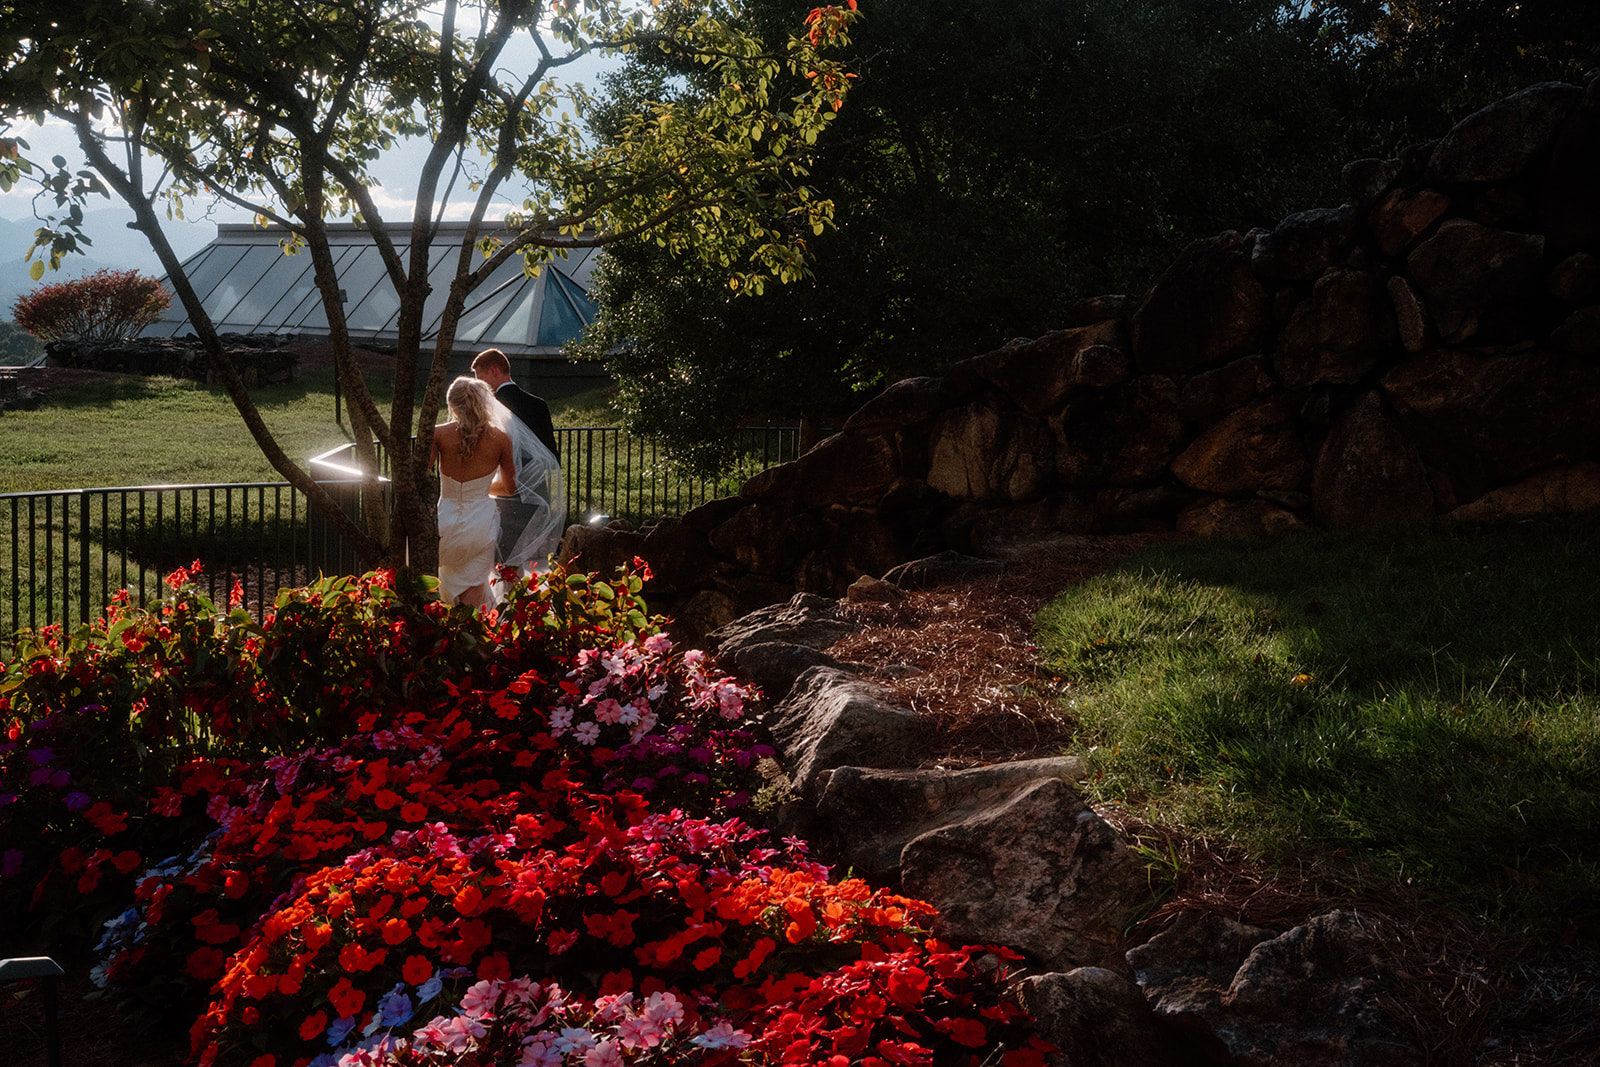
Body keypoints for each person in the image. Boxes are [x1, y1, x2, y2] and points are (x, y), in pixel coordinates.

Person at [470, 348, 566, 573]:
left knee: (501, 559)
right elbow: (552, 454)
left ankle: (506, 603)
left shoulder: (490, 408)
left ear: (494, 371)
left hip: (504, 493)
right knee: (525, 557)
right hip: (536, 494)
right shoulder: (538, 404)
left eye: (480, 378)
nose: (480, 386)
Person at [429, 376, 515, 609]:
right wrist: (480, 487)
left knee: (436, 580)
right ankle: (473, 638)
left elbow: (423, 478)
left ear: (453, 406)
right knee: (475, 586)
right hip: (480, 523)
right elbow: (509, 488)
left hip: (443, 520)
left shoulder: (438, 434)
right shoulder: (501, 439)